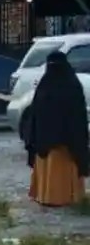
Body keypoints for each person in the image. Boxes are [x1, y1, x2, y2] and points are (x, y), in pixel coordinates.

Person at [23, 52, 89, 207]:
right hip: (67, 143)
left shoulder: (45, 85)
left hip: (46, 143)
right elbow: (78, 116)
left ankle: (46, 195)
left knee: (50, 168)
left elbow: (34, 115)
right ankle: (69, 196)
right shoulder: (72, 85)